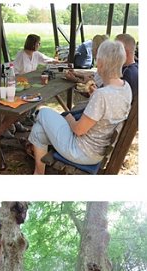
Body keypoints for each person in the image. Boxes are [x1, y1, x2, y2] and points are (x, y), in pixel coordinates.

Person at [29, 40, 132, 174]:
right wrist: (94, 95)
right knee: (38, 131)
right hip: (97, 148)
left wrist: (68, 117)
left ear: (100, 63)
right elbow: (108, 107)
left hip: (82, 152)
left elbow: (78, 130)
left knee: (43, 112)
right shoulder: (125, 87)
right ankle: (39, 174)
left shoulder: (102, 95)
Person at [115, 33, 138, 100]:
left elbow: (117, 101)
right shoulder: (135, 68)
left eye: (115, 50)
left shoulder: (127, 73)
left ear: (125, 53)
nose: (113, 53)